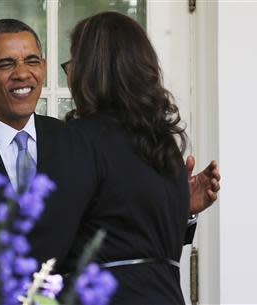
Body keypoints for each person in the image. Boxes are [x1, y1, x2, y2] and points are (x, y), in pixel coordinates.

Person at [0, 19, 219, 273]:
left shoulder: (77, 141)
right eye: (6, 63)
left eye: (32, 61)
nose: (23, 73)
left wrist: (180, 207)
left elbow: (124, 234)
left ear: (45, 68)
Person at [58, 11, 211, 304]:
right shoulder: (163, 144)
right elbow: (136, 237)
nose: (69, 75)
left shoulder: (77, 139)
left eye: (73, 63)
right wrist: (185, 210)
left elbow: (57, 239)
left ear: (92, 70)